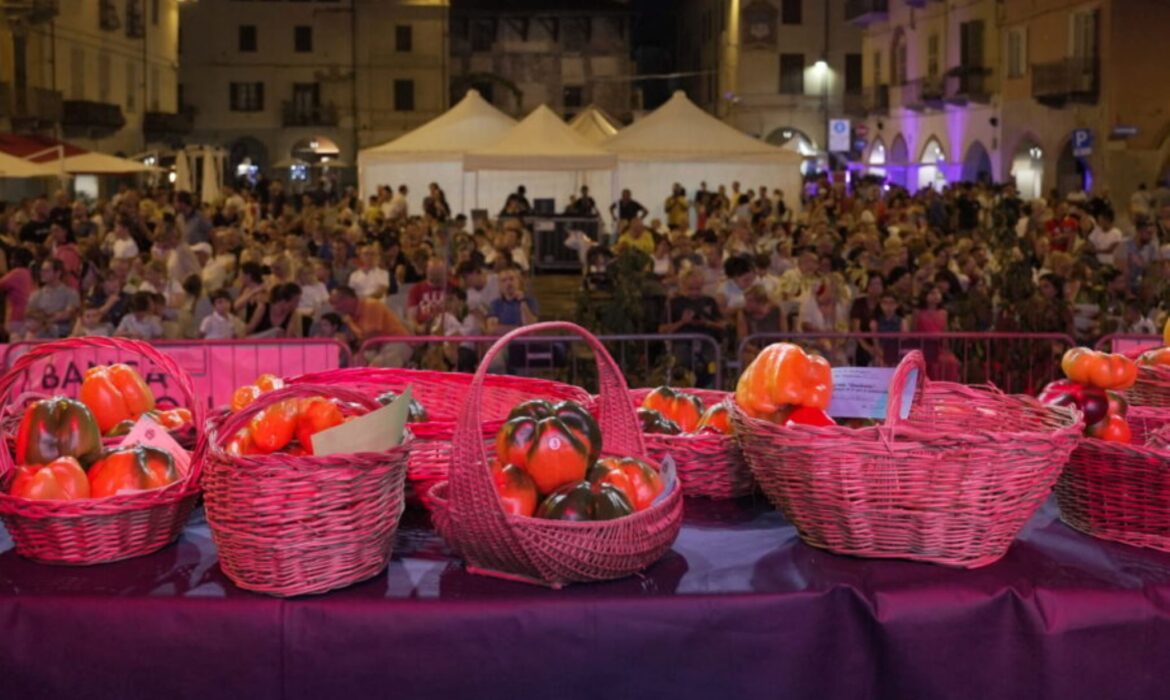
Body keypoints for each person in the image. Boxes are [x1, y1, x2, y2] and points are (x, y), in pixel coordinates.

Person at [329, 285, 411, 366]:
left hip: (397, 342)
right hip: (376, 348)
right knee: (354, 362)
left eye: (336, 303)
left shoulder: (371, 305)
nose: (334, 308)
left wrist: (358, 345)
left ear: (347, 299)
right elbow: (362, 342)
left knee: (377, 366)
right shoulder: (348, 318)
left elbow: (373, 338)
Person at [26, 259, 80, 339]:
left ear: (57, 273)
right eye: (41, 270)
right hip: (38, 331)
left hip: (63, 333)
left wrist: (44, 318)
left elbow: (68, 314)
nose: (42, 273)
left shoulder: (71, 293)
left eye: (46, 271)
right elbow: (30, 314)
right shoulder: (36, 295)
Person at [407, 257, 456, 331]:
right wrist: (418, 328)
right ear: (427, 273)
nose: (436, 279)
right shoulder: (416, 289)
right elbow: (411, 316)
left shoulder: (453, 287)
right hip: (424, 327)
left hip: (447, 326)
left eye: (438, 275)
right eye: (432, 275)